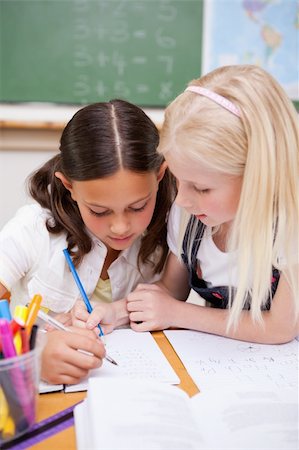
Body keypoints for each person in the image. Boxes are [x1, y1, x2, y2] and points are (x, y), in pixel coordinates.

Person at [0, 99, 175, 381]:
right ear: (69, 186)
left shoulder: (167, 233)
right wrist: (32, 353)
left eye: (138, 206)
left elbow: (168, 304)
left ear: (160, 176)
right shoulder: (33, 230)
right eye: (99, 211)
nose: (120, 227)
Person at [123, 65, 298, 344]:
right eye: (178, 180)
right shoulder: (192, 214)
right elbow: (170, 293)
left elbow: (280, 328)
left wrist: (178, 314)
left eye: (202, 188)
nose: (181, 200)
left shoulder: (291, 226)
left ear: (257, 174)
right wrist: (116, 312)